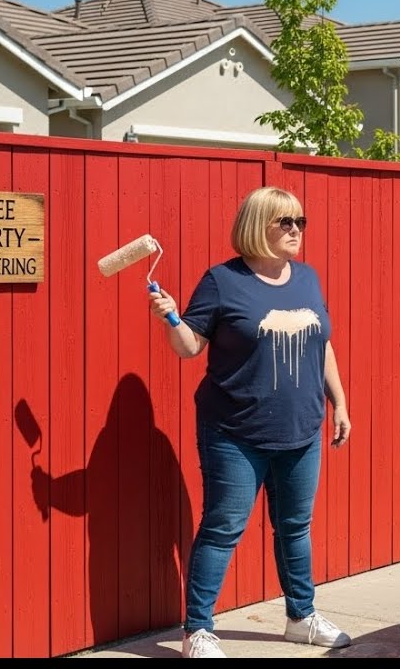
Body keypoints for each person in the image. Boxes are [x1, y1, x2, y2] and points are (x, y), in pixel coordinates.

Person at [149, 185, 353, 659]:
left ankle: (301, 618)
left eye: (300, 221)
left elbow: (322, 344)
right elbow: (189, 348)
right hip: (234, 433)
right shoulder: (222, 281)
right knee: (223, 527)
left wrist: (339, 402)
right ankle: (197, 631)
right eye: (286, 222)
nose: (296, 230)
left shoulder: (307, 278)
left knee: (295, 527)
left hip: (301, 431)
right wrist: (170, 318)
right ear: (257, 225)